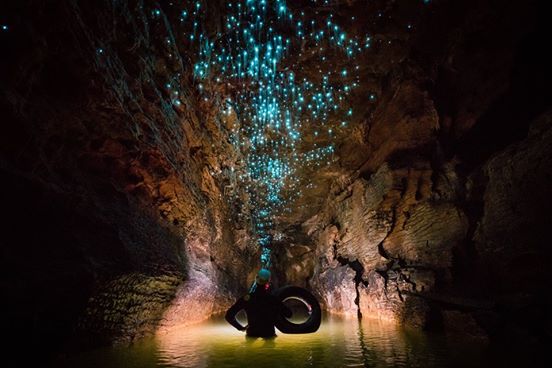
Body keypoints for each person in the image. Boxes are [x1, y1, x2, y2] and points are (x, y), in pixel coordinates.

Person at [225, 268, 292, 338]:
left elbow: (229, 316)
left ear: (256, 281)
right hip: (269, 334)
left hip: (252, 334)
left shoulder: (247, 299)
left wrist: (240, 328)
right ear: (268, 283)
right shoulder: (273, 299)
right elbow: (289, 314)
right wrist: (276, 311)